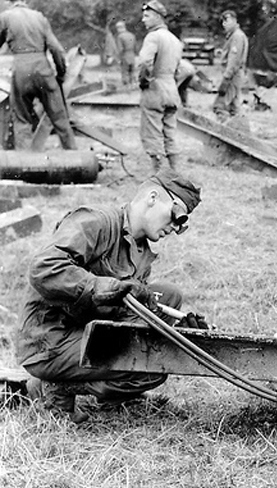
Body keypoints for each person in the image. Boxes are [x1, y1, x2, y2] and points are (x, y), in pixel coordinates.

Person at [16, 169, 207, 423]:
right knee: (147, 371)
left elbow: (128, 314)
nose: (174, 227)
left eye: (181, 224)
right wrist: (107, 287)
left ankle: (106, 387)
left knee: (168, 297)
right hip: (50, 340)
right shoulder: (96, 222)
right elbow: (43, 268)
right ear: (152, 197)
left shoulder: (141, 253)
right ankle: (55, 386)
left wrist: (174, 332)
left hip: (87, 332)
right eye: (176, 216)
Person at [0, 0, 75, 149]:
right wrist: (60, 74)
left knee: (22, 119)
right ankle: (75, 158)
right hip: (43, 68)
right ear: (23, 0)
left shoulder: (5, 17)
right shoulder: (39, 17)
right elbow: (56, 48)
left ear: (9, 2)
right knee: (61, 119)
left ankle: (25, 166)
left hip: (21, 69)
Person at [138, 0, 183, 172]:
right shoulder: (174, 40)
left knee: (153, 133)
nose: (143, 20)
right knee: (170, 133)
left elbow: (144, 63)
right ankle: (175, 174)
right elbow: (180, 68)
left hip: (155, 89)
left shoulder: (153, 37)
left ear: (157, 17)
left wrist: (144, 83)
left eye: (147, 16)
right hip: (171, 88)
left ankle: (158, 176)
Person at [213, 10, 248, 121]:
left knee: (222, 105)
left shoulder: (237, 36)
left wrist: (226, 77)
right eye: (222, 21)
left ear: (234, 20)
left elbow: (234, 60)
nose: (224, 24)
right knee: (234, 105)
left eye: (226, 20)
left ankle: (223, 131)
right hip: (235, 74)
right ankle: (240, 130)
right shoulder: (234, 36)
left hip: (233, 75)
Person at [115, 20, 136, 86]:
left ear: (119, 28)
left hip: (125, 55)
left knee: (125, 72)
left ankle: (126, 86)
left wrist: (119, 59)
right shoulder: (132, 35)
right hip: (132, 55)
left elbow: (120, 49)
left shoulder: (120, 36)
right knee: (132, 71)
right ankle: (133, 85)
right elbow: (135, 46)